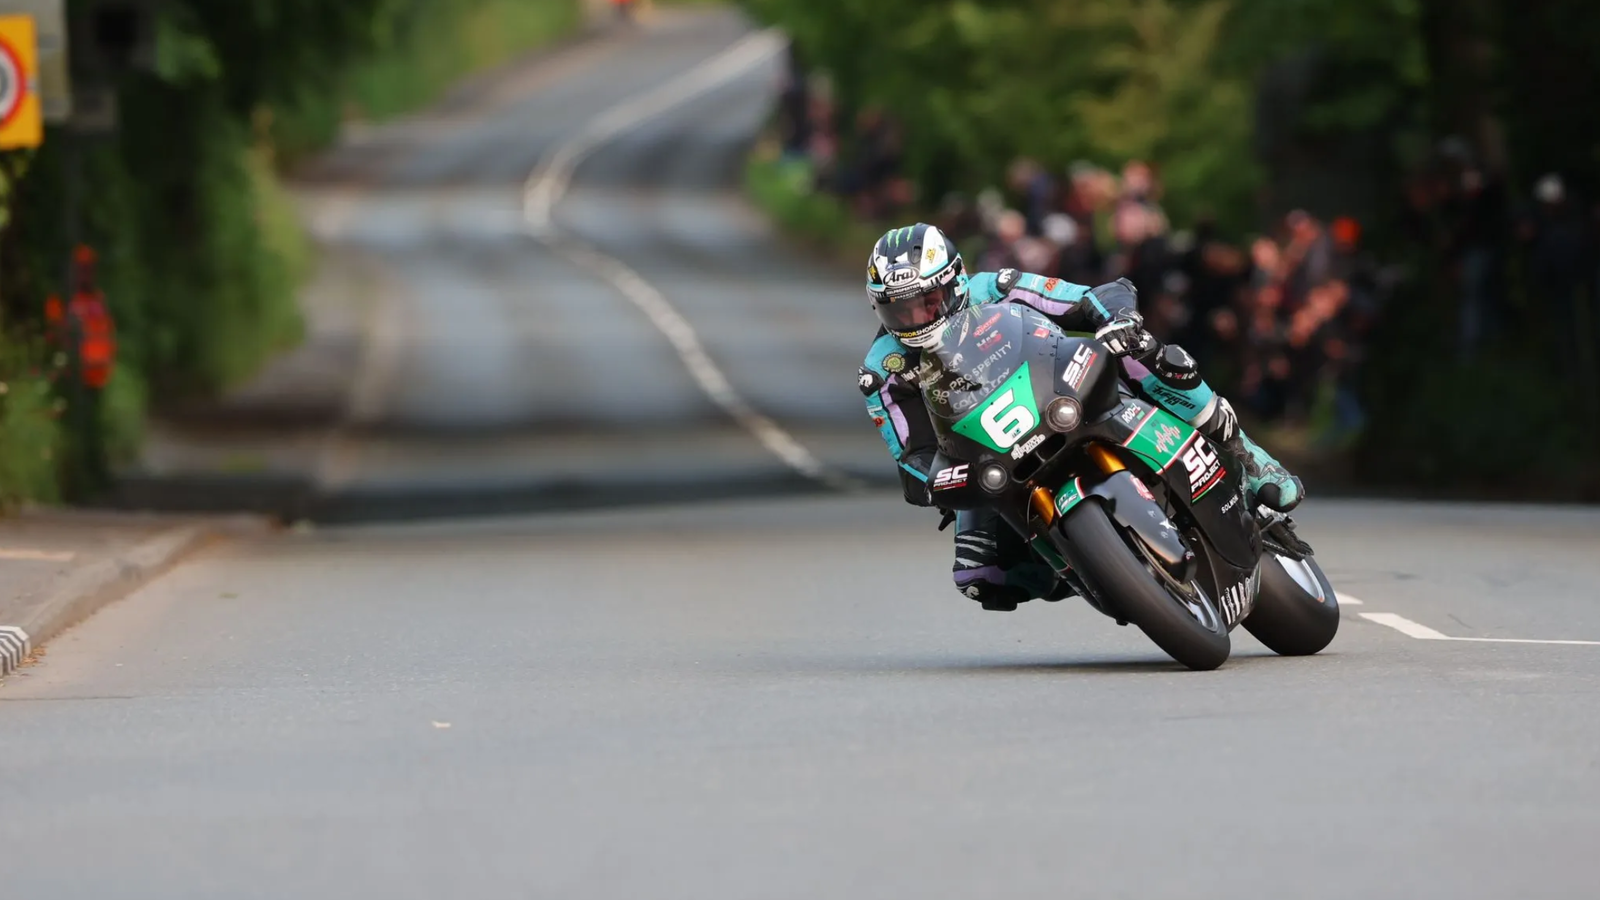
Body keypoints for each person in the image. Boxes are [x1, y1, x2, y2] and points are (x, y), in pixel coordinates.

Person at [858, 223, 1303, 612]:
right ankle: (1086, 567)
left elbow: (1084, 298)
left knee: (1142, 352)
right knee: (978, 574)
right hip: (990, 453)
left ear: (954, 281)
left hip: (1057, 389)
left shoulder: (995, 286)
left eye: (927, 302)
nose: (914, 319)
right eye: (898, 310)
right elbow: (913, 456)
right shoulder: (881, 372)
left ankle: (1247, 457)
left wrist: (1118, 318)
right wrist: (941, 481)